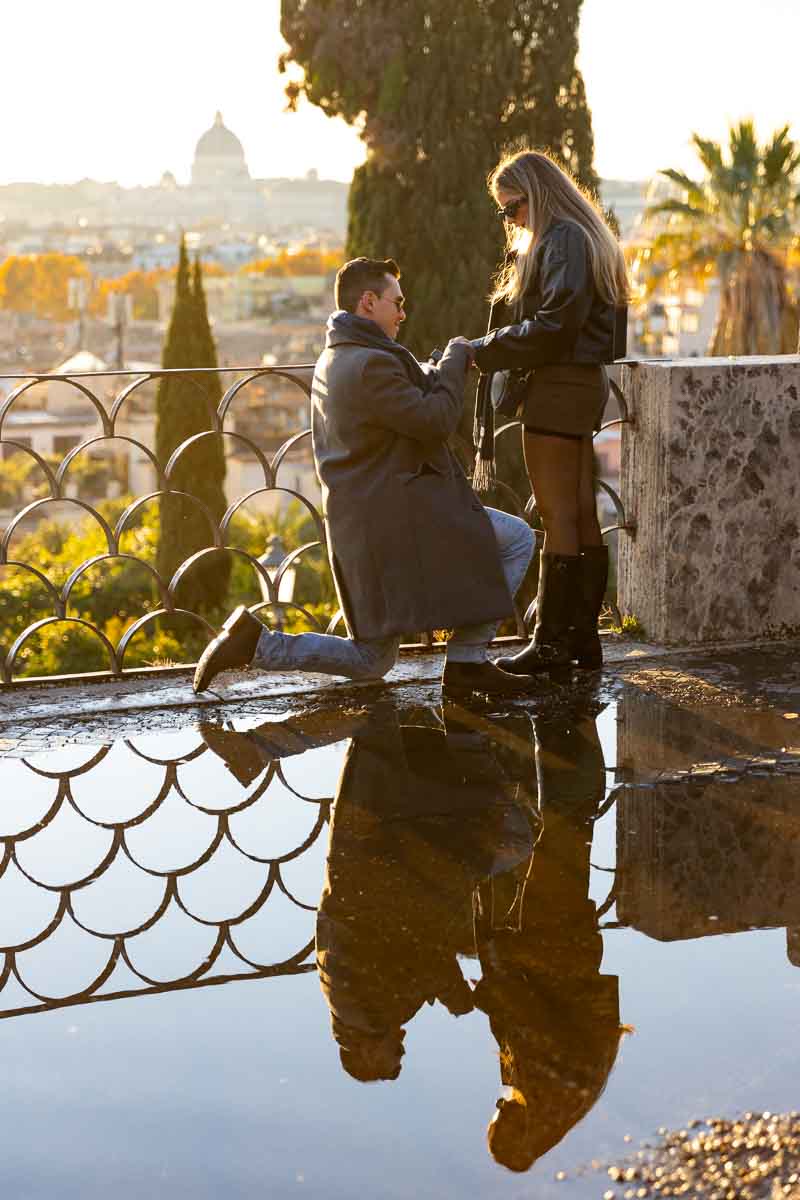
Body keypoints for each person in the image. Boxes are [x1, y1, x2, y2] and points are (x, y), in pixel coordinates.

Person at [194, 257, 541, 698]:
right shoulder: (369, 365)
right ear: (368, 302)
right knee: (517, 538)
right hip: (395, 521)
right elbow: (433, 421)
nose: (403, 313)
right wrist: (455, 361)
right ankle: (467, 661)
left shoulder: (341, 355)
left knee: (372, 660)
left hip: (367, 520)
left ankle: (256, 643)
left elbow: (401, 405)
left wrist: (433, 372)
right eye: (397, 303)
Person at [471, 150, 630, 674]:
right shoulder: (583, 237)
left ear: (537, 194)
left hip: (557, 385)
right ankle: (582, 640)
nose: (509, 218)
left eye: (512, 206)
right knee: (579, 512)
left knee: (557, 513)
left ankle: (549, 644)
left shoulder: (562, 239)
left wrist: (484, 348)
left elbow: (555, 324)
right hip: (580, 383)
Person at [473, 713, 626, 1172]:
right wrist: (492, 988)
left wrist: (494, 986)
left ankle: (568, 740)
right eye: (501, 1117)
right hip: (555, 950)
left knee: (562, 842)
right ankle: (571, 739)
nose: (499, 1105)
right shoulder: (547, 1090)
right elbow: (531, 1016)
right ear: (519, 1130)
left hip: (557, 951)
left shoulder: (550, 1099)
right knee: (563, 836)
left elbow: (516, 1016)